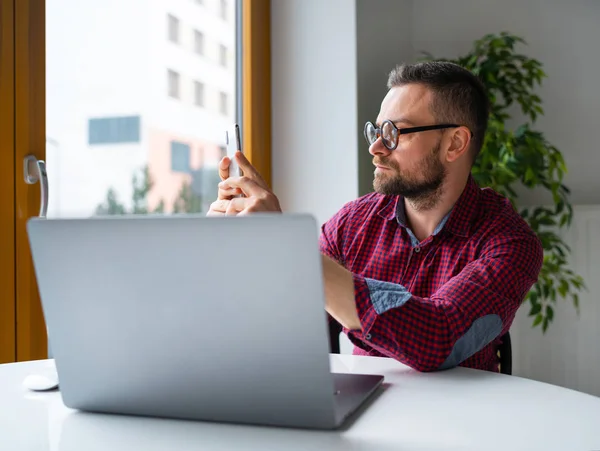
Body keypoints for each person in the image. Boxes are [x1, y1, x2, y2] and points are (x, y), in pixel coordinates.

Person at [208, 61, 543, 373]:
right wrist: (239, 252)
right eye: (377, 131)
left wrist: (285, 244)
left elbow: (438, 337)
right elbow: (288, 323)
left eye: (394, 133)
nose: (376, 147)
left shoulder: (509, 243)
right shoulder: (353, 223)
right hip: (363, 411)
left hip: (462, 423)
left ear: (454, 143)